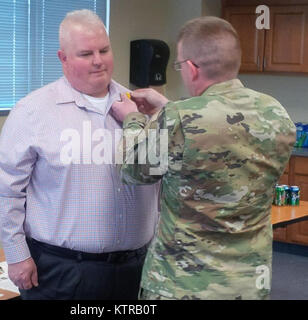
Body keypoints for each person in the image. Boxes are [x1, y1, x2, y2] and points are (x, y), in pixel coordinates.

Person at [111, 16, 296, 300]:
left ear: (192, 68)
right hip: (248, 284)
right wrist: (169, 109)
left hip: (182, 285)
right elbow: (219, 129)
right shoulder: (277, 113)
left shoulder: (179, 119)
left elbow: (133, 170)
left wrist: (134, 120)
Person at [0, 9, 159, 300]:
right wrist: (16, 255)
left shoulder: (140, 108)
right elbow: (5, 191)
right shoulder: (33, 111)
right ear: (63, 58)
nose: (98, 60)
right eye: (85, 53)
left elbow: (165, 179)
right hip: (61, 271)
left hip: (136, 268)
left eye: (104, 50)